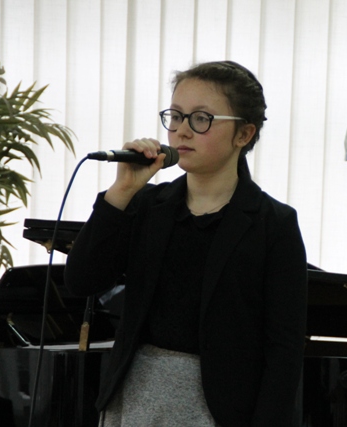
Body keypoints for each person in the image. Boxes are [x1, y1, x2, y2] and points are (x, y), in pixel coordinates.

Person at [64, 61, 308, 426]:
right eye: (176, 116)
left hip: (220, 408)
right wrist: (122, 191)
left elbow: (284, 348)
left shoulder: (273, 224)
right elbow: (81, 280)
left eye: (201, 119)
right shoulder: (148, 205)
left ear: (243, 134)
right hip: (135, 396)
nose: (182, 131)